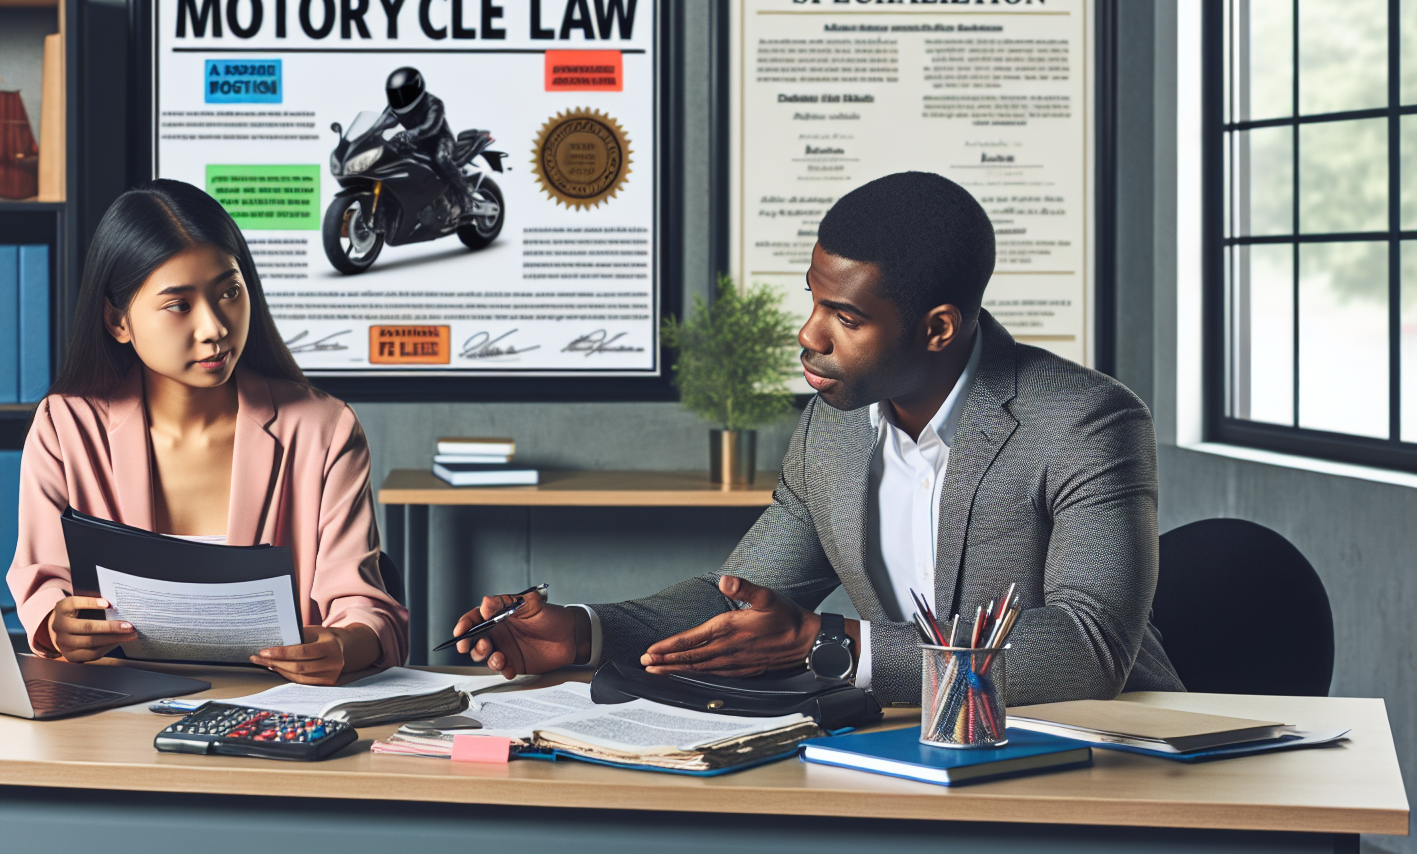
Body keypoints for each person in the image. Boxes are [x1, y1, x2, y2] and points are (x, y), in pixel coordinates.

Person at [451, 171, 1183, 706]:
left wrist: (839, 645)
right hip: (914, 741)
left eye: (847, 318)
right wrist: (584, 632)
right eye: (813, 299)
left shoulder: (1087, 422)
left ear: (937, 329)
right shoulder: (833, 428)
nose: (809, 335)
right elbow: (743, 601)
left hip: (1104, 750)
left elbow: (1087, 651)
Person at [9, 179, 407, 684]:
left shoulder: (324, 430)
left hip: (276, 713)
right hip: (115, 712)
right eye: (179, 305)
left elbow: (364, 607)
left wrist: (345, 646)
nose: (215, 327)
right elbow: (43, 585)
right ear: (117, 320)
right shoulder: (65, 426)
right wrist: (57, 624)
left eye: (229, 292)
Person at [384, 67, 470, 210]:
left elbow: (431, 126)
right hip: (415, 143)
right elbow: (381, 122)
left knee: (440, 158)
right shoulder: (393, 108)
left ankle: (466, 193)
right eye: (395, 94)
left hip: (440, 140)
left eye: (404, 92)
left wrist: (410, 134)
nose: (400, 97)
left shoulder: (434, 103)